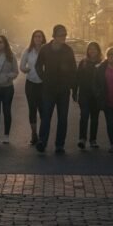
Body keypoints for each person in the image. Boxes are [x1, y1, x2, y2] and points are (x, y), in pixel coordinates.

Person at [34, 24, 77, 153]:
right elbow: (38, 65)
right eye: (61, 35)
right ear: (54, 36)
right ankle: (42, 141)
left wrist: (73, 88)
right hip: (48, 89)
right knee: (46, 116)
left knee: (62, 118)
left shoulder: (68, 50)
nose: (63, 37)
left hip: (63, 90)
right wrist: (43, 78)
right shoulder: (45, 49)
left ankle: (60, 145)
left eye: (65, 34)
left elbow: (73, 70)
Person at [19, 29, 46, 145]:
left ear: (43, 38)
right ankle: (34, 134)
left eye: (40, 37)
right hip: (30, 83)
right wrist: (26, 70)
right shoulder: (27, 51)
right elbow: (22, 66)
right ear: (32, 39)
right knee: (32, 109)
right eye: (36, 37)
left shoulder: (47, 51)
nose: (38, 39)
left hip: (43, 84)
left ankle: (42, 135)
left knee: (43, 110)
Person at [74, 41, 102, 149]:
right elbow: (77, 78)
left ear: (98, 51)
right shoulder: (83, 63)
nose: (92, 51)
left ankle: (93, 140)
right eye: (90, 49)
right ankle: (82, 138)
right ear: (87, 51)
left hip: (96, 95)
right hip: (84, 94)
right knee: (84, 116)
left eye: (94, 49)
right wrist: (75, 91)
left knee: (95, 117)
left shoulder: (102, 63)